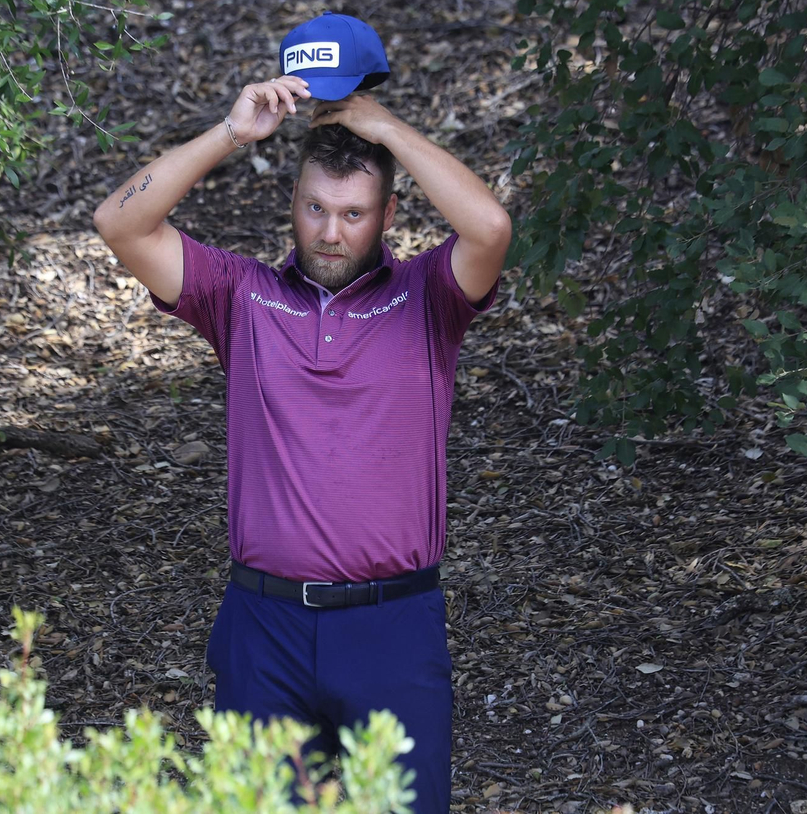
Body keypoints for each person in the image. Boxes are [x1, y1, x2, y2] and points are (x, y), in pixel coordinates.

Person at [91, 50, 509, 812]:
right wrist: (229, 132)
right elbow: (119, 222)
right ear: (293, 202)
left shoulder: (427, 300)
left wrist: (386, 128)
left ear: (387, 218)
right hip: (266, 628)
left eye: (353, 214)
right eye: (315, 208)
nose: (331, 232)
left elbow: (490, 226)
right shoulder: (241, 296)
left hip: (393, 628)